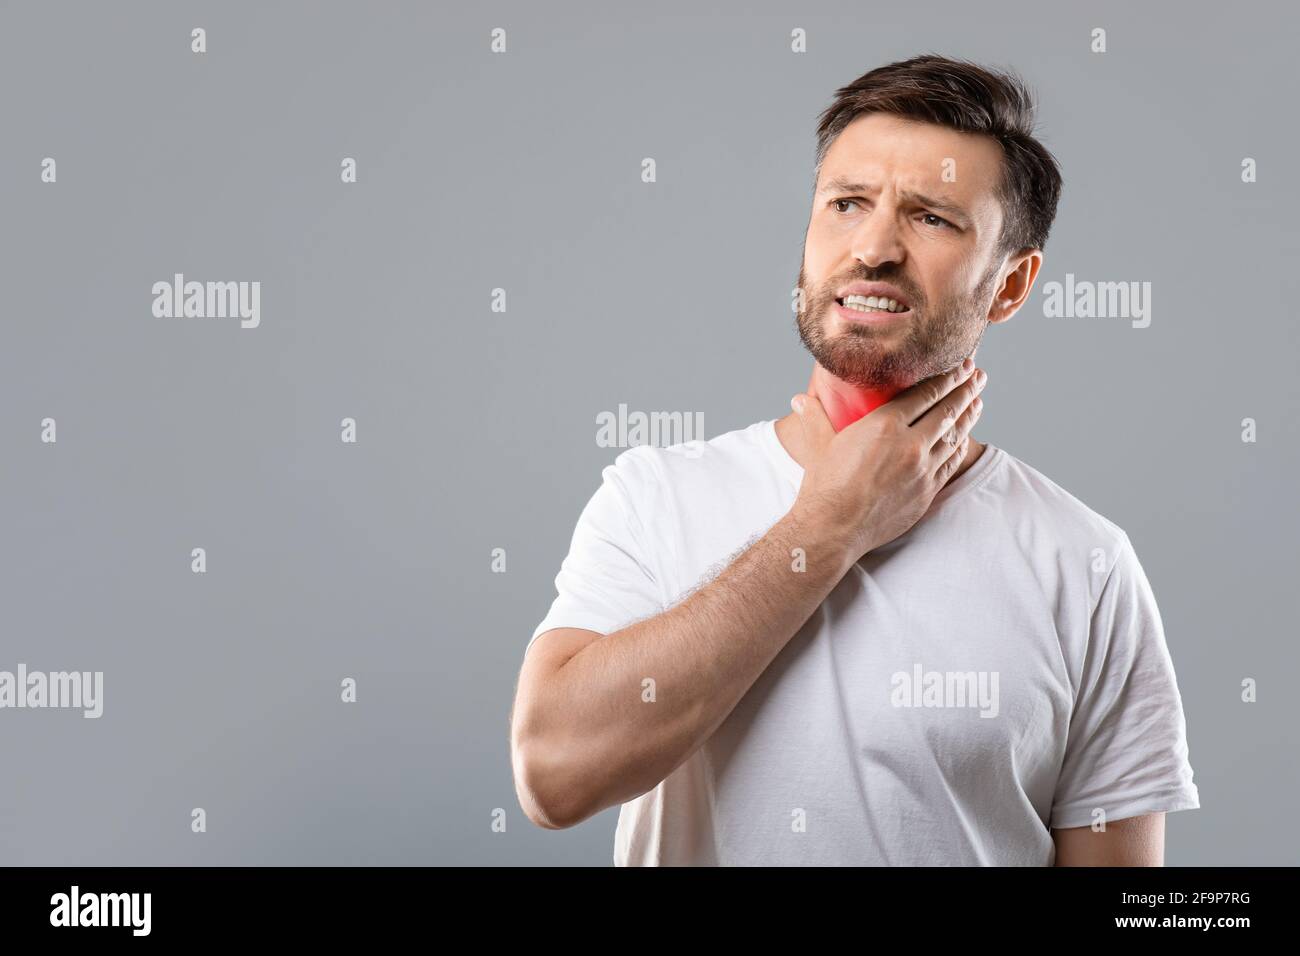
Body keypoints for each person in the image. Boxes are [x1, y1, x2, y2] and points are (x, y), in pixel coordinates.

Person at [509, 54, 1199, 866]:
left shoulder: (1084, 564)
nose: (873, 248)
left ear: (1010, 285)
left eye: (933, 218)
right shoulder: (655, 497)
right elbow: (552, 779)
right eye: (846, 203)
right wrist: (831, 523)